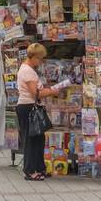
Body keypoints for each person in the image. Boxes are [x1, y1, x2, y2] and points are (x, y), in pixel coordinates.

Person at [16, 42, 62, 182]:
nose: (41, 62)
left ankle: (39, 168)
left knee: (39, 139)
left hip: (31, 107)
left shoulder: (28, 69)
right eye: (41, 59)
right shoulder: (27, 71)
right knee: (31, 140)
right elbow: (35, 93)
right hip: (28, 107)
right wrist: (52, 91)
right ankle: (30, 171)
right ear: (34, 57)